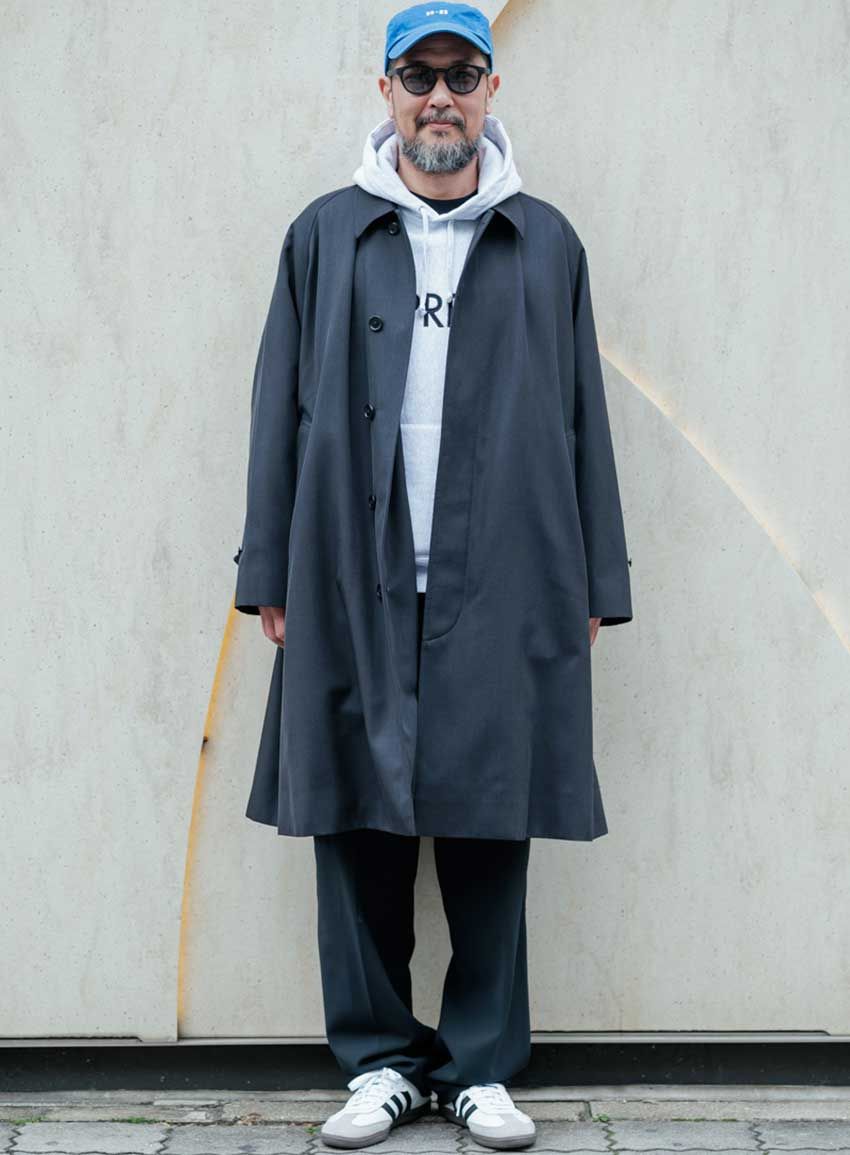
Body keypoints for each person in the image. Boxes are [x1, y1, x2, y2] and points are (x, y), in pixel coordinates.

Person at [232, 2, 633, 1150]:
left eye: (462, 74)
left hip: (502, 574)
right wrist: (269, 567)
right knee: (352, 815)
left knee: (489, 813)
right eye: (420, 77)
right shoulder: (325, 234)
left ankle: (479, 1066)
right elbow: (278, 407)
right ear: (387, 94)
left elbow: (580, 418)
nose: (441, 97)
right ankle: (377, 1062)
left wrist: (593, 584)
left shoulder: (543, 242)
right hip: (349, 573)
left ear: (491, 89)